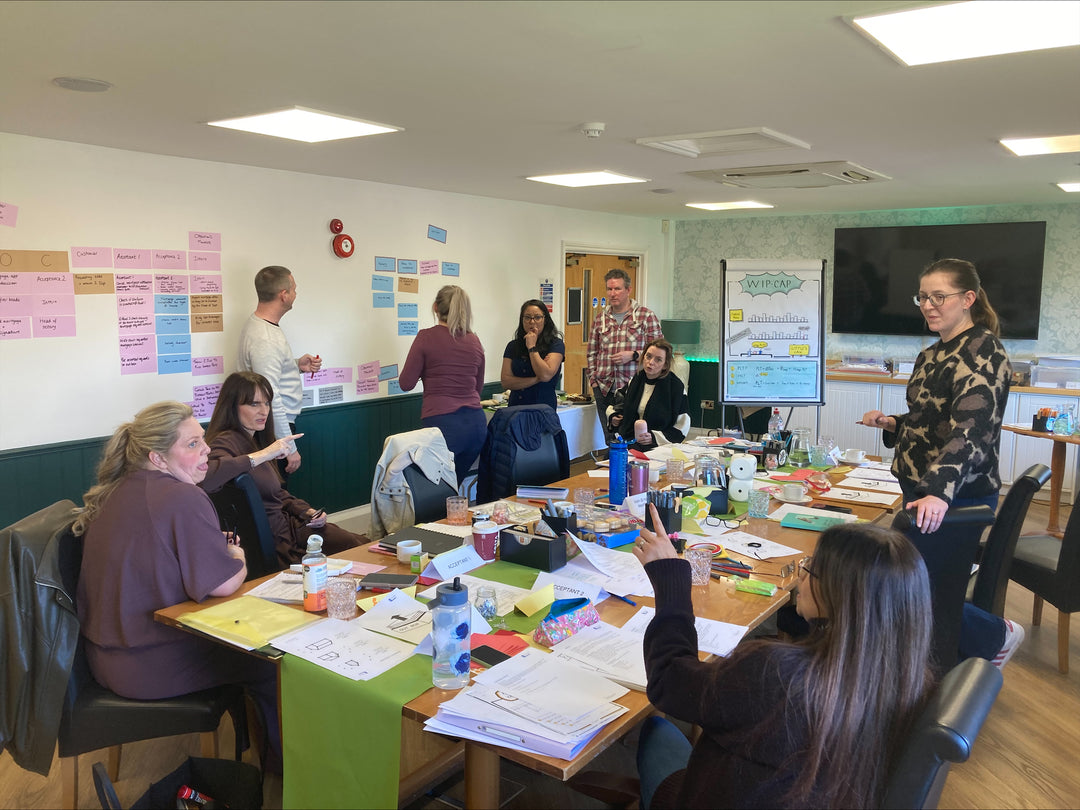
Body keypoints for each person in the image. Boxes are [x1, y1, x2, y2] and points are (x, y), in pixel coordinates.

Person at [632, 507, 933, 809]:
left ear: (840, 595)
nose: (801, 573)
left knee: (657, 732)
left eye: (811, 567)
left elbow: (668, 681)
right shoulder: (908, 679)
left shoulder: (777, 674)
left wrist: (670, 579)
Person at [72, 401, 281, 768]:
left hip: (101, 659)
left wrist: (209, 547)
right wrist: (237, 556)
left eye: (203, 439)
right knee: (273, 662)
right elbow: (223, 584)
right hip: (150, 665)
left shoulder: (113, 491)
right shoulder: (182, 496)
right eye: (192, 444)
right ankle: (286, 769)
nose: (206, 450)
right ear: (157, 458)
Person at [860, 257, 1023, 668]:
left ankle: (994, 635)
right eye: (923, 297)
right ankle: (918, 663)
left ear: (968, 299)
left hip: (953, 496)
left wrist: (938, 491)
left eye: (939, 297)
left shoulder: (984, 351)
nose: (929, 306)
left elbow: (970, 430)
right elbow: (930, 419)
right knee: (914, 585)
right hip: (920, 490)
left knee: (922, 591)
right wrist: (893, 423)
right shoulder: (932, 353)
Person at [201, 372, 363, 567]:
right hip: (275, 540)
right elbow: (206, 478)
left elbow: (274, 493)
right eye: (254, 404)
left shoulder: (253, 439)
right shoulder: (225, 441)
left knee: (359, 542)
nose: (264, 411)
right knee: (353, 546)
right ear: (232, 406)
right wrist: (265, 454)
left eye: (267, 403)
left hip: (289, 526)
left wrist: (306, 511)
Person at [237, 265, 322, 478]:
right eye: (294, 289)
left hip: (268, 427)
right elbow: (270, 395)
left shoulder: (259, 326)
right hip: (271, 430)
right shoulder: (265, 338)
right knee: (276, 492)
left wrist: (296, 365)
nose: (296, 294)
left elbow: (264, 374)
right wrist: (289, 448)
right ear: (284, 295)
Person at [399, 285, 486, 484]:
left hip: (443, 426)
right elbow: (478, 388)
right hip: (475, 426)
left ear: (435, 307)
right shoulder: (474, 341)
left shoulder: (426, 337)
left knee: (436, 489)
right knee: (453, 485)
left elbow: (406, 383)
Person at [587, 268, 664, 442]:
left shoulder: (645, 316)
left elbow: (660, 351)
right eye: (609, 289)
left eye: (617, 289)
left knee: (632, 436)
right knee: (610, 438)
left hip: (634, 387)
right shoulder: (600, 318)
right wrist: (593, 381)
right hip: (604, 387)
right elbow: (592, 352)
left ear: (628, 290)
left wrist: (634, 355)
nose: (612, 293)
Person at [608, 338, 690, 446]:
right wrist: (614, 416)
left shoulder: (675, 387)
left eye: (658, 360)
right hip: (630, 441)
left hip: (659, 446)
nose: (651, 362)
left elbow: (683, 424)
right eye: (648, 356)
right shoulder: (636, 380)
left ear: (665, 365)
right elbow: (617, 402)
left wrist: (654, 438)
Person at [500, 299, 565, 410]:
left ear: (545, 320)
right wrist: (536, 379)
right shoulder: (513, 346)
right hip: (516, 408)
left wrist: (531, 347)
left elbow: (545, 375)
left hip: (543, 409)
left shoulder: (555, 344)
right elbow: (506, 382)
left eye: (537, 317)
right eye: (527, 317)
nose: (532, 322)